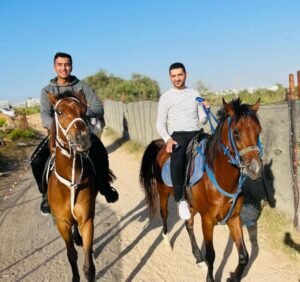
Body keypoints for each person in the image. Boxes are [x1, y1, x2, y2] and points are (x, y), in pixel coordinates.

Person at [30, 52, 119, 216]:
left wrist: (80, 113)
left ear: (71, 66)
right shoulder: (47, 90)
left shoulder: (82, 87)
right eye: (60, 65)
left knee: (100, 153)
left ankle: (105, 187)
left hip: (81, 131)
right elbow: (44, 114)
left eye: (67, 64)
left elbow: (98, 108)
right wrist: (56, 128)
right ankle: (44, 194)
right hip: (58, 133)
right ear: (54, 67)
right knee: (35, 161)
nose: (64, 68)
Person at [156, 62, 210, 220]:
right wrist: (168, 139)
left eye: (180, 75)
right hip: (178, 135)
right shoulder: (166, 97)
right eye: (173, 76)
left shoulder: (195, 93)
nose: (177, 78)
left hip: (197, 132)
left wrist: (206, 110)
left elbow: (203, 120)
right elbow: (159, 123)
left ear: (185, 74)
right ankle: (180, 200)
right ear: (170, 77)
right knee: (177, 160)